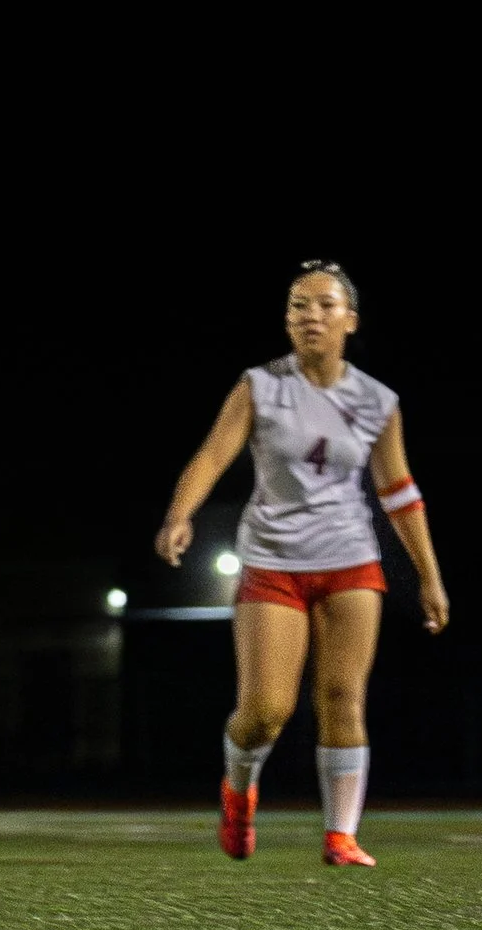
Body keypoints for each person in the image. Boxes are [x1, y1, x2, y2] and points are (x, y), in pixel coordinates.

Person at [156, 260, 450, 866]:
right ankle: (238, 791)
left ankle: (340, 836)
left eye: (323, 305)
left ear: (350, 320)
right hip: (274, 562)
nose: (309, 316)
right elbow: (213, 456)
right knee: (266, 712)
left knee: (342, 696)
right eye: (297, 305)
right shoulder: (260, 386)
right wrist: (179, 514)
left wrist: (429, 577)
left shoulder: (376, 400)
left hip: (351, 561)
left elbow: (398, 491)